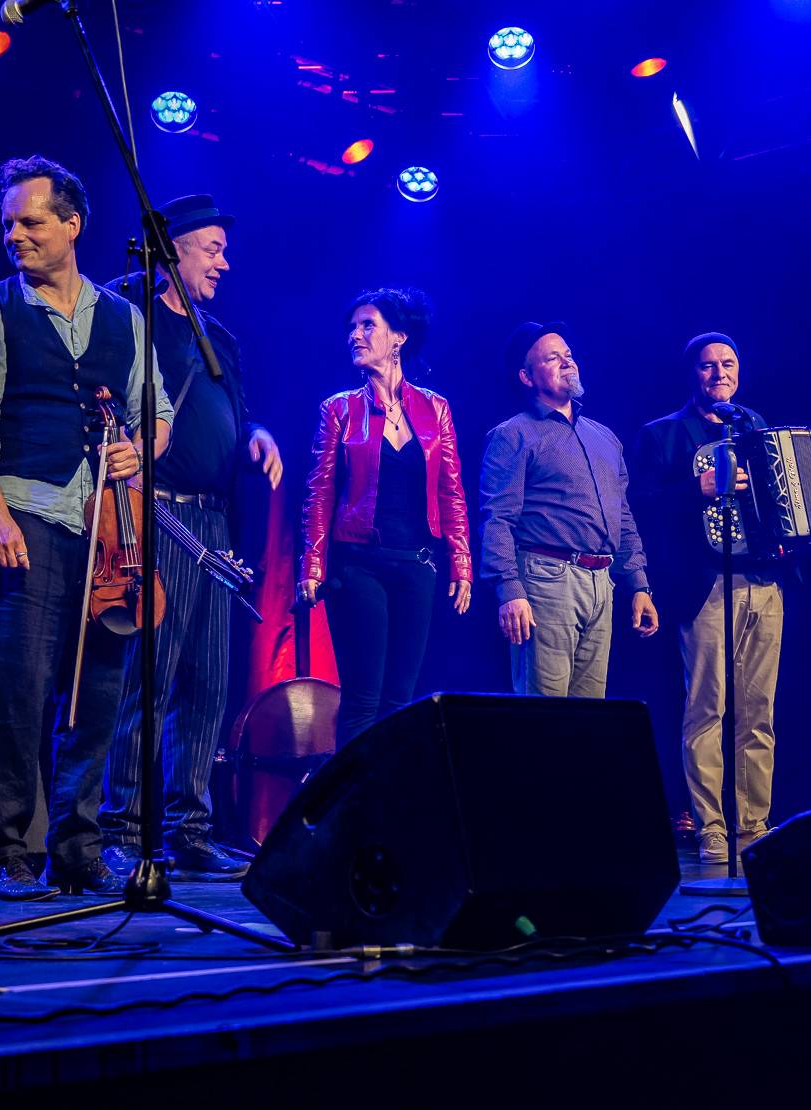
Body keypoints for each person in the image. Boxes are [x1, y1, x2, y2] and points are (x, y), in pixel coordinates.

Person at [0, 155, 170, 900]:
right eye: (8, 223)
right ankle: (6, 848)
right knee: (20, 686)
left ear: (73, 225)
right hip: (29, 513)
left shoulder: (125, 317)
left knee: (98, 688)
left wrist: (142, 448)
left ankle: (77, 846)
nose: (15, 235)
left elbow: (158, 413)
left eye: (31, 221)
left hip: (107, 528)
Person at [100, 195, 282, 882]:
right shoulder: (131, 313)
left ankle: (190, 831)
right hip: (155, 514)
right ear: (173, 249)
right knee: (146, 679)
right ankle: (117, 828)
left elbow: (237, 412)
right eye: (212, 249)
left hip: (212, 523)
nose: (223, 263)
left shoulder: (220, 338)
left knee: (206, 683)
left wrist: (257, 435)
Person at [630, 333, 811, 863]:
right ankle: (711, 827)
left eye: (727, 364)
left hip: (765, 581)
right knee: (707, 707)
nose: (718, 373)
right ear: (691, 374)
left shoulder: (755, 427)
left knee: (758, 711)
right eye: (707, 366)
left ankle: (753, 824)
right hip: (704, 584)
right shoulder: (663, 434)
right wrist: (694, 491)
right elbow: (638, 505)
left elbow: (788, 494)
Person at [299, 288, 473, 744]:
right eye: (351, 328)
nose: (354, 335)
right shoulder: (339, 409)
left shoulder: (435, 408)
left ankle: (392, 788)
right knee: (363, 700)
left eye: (367, 325)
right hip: (358, 565)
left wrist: (461, 564)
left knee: (401, 701)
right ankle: (354, 791)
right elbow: (319, 493)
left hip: (416, 566)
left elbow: (451, 492)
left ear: (399, 336)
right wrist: (312, 565)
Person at [479, 322, 659, 697]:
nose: (567, 362)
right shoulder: (514, 434)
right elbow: (498, 519)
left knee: (587, 718)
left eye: (569, 355)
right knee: (545, 715)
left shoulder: (604, 437)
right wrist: (510, 590)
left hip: (602, 582)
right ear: (527, 377)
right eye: (552, 358)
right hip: (547, 579)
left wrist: (638, 584)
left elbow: (623, 518)